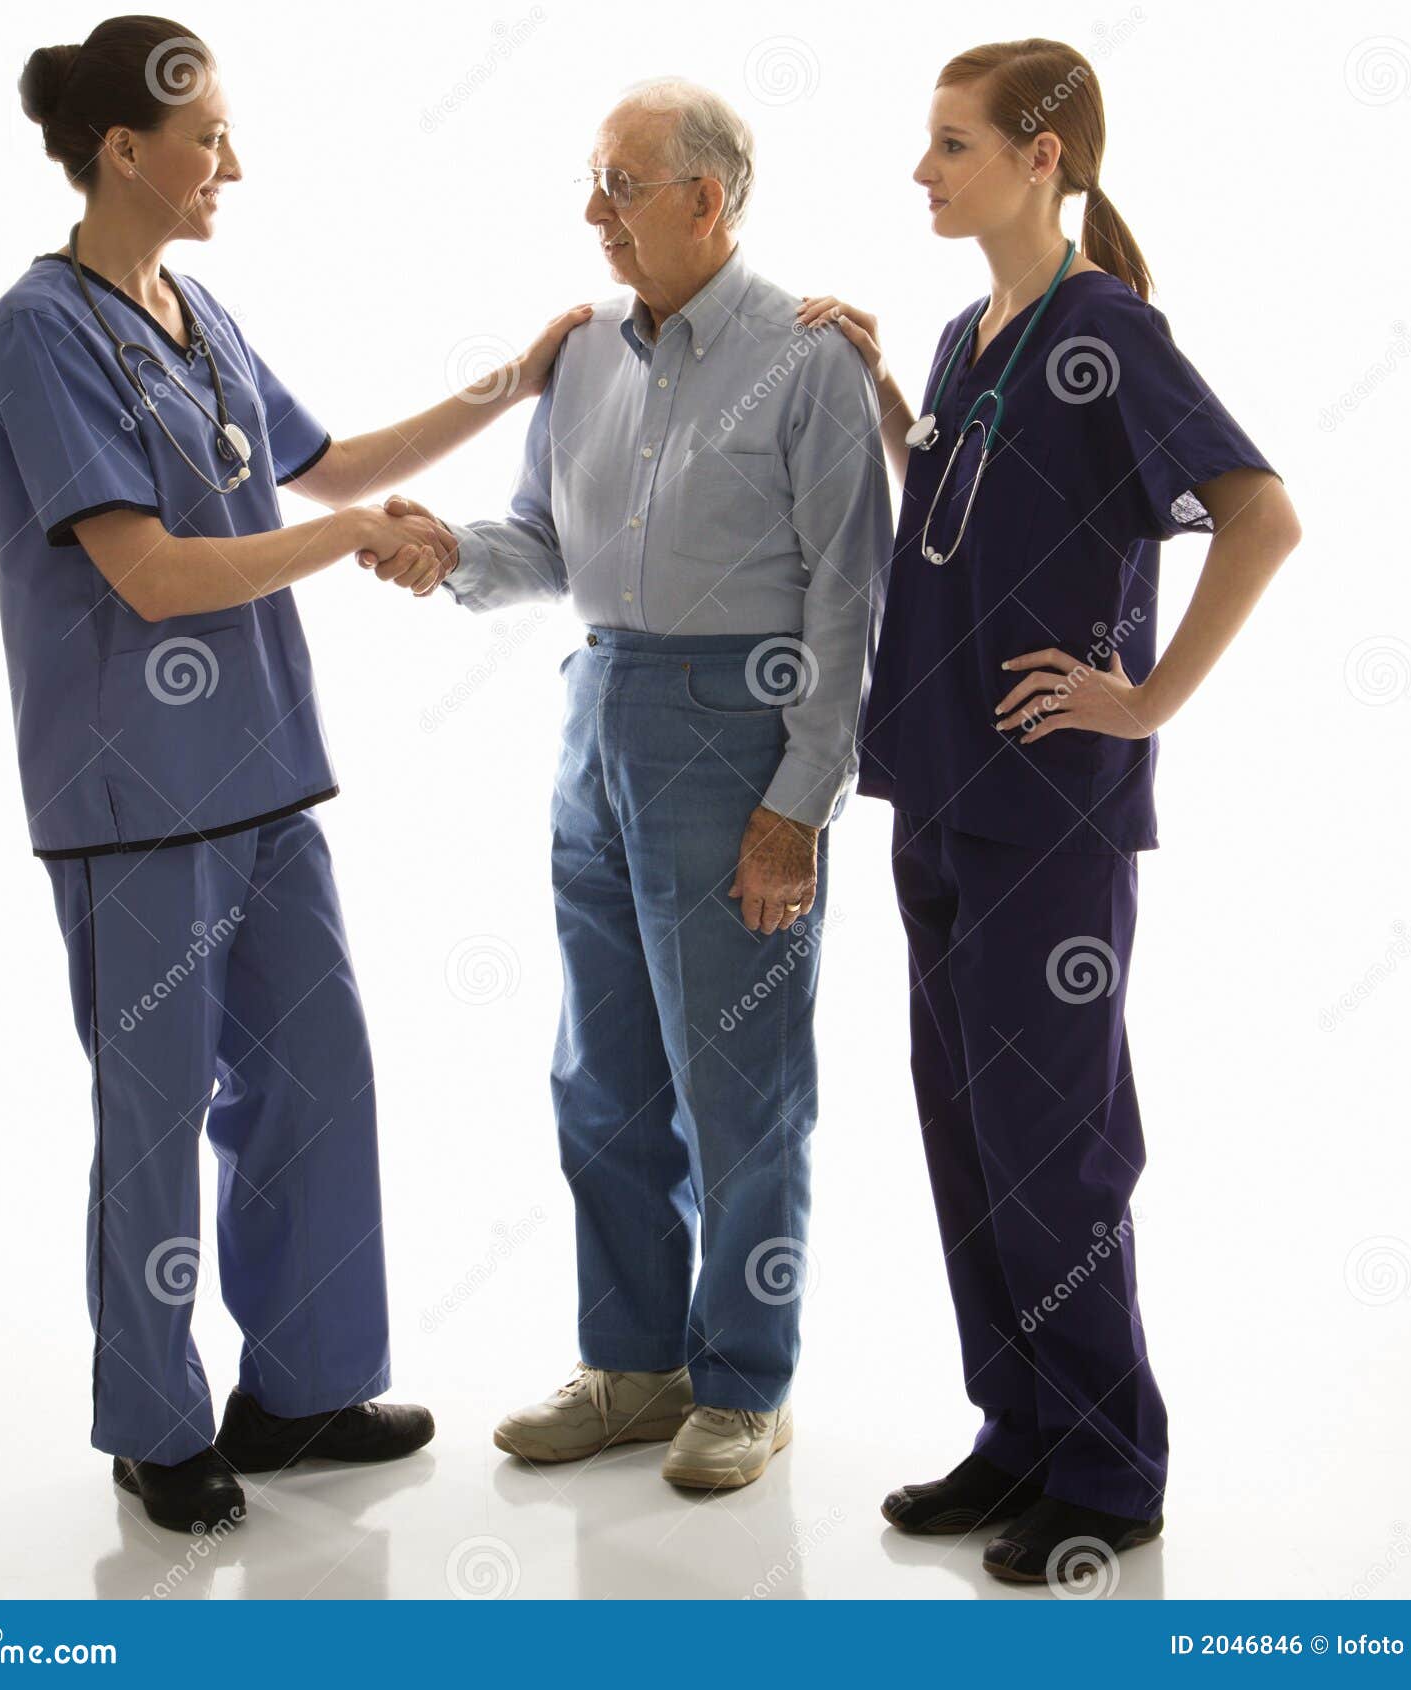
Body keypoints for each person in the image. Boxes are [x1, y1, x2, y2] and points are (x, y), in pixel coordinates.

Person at [0, 14, 587, 1533]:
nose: (233, 166)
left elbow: (334, 461)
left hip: (262, 775)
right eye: (209, 141)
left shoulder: (198, 311)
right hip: (134, 795)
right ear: (127, 150)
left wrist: (518, 379)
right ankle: (155, 1423)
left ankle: (302, 1390)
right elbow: (151, 575)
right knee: (155, 1110)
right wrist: (350, 538)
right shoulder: (39, 329)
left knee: (317, 1074)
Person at [796, 37, 1300, 1583]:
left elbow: (1263, 516)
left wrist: (1144, 700)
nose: (923, 170)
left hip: (1046, 812)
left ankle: (1107, 1464)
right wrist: (892, 395)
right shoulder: (973, 333)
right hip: (939, 783)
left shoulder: (1107, 330)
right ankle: (1017, 1429)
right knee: (966, 1133)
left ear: (1043, 158)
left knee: (1053, 1145)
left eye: (952, 144)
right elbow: (966, 509)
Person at [366, 79, 892, 1492]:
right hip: (597, 712)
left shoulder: (810, 358)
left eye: (619, 183)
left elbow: (850, 600)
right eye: (595, 181)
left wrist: (800, 804)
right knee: (600, 1074)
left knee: (741, 1084)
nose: (593, 211)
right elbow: (542, 542)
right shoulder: (585, 351)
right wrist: (451, 553)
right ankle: (638, 1363)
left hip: (741, 731)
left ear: (704, 199)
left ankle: (745, 1381)